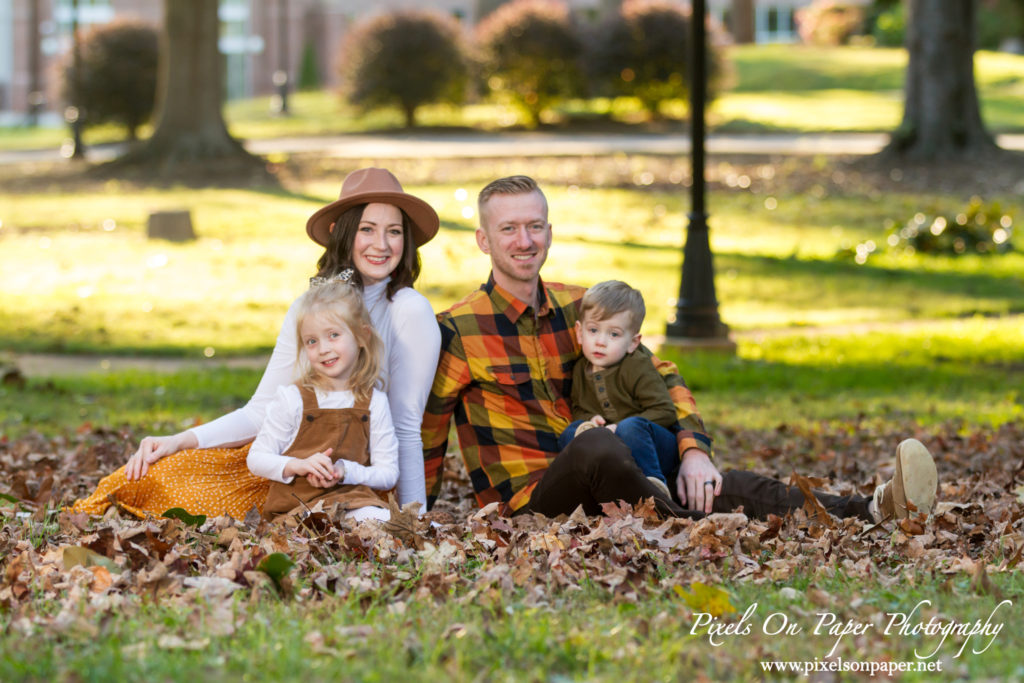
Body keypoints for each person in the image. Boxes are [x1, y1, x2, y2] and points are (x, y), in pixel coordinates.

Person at [421, 175, 938, 524]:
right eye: (508, 228)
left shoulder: (584, 307)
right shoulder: (458, 330)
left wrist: (693, 452)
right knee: (595, 447)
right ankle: (688, 528)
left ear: (550, 232)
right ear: (484, 241)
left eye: (534, 226)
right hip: (534, 501)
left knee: (719, 482)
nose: (524, 240)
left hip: (623, 474)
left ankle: (870, 512)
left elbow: (662, 374)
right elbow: (425, 430)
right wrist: (409, 514)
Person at [72, 168, 441, 521]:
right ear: (343, 233)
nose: (381, 244)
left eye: (394, 232)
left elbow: (406, 425)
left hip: (355, 479)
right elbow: (261, 411)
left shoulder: (408, 310)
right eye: (367, 229)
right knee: (156, 475)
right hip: (288, 465)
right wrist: (180, 440)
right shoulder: (308, 307)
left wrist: (413, 519)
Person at [250, 275, 400, 521]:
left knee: (386, 522)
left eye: (333, 335)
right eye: (312, 341)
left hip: (353, 503)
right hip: (297, 509)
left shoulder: (374, 402)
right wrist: (298, 465)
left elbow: (388, 473)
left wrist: (344, 471)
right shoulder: (292, 399)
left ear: (362, 336)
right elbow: (257, 458)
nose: (323, 349)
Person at [557, 280, 678, 497]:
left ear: (633, 342)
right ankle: (586, 478)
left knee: (631, 427)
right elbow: (580, 407)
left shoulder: (637, 365)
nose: (600, 341)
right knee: (570, 432)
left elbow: (665, 411)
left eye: (613, 334)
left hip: (657, 448)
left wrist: (618, 428)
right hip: (616, 452)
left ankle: (655, 487)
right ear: (579, 332)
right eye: (593, 330)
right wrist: (591, 421)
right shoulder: (579, 370)